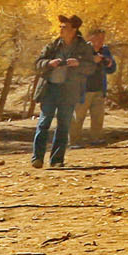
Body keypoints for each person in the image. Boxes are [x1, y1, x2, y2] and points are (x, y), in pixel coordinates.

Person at [32, 15, 96, 168]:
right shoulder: (53, 45)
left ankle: (56, 160)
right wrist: (49, 63)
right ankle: (37, 158)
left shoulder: (84, 47)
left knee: (63, 126)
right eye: (60, 26)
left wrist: (78, 63)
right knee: (43, 123)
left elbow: (91, 67)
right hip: (49, 89)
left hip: (69, 92)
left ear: (74, 29)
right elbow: (37, 64)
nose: (61, 29)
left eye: (64, 27)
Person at [81, 24, 118, 135]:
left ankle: (96, 140)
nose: (100, 41)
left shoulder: (105, 50)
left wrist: (109, 63)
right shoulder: (82, 49)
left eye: (102, 38)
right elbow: (77, 66)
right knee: (78, 117)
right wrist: (93, 60)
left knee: (98, 117)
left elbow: (112, 69)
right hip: (83, 89)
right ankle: (73, 141)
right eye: (98, 38)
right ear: (90, 38)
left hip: (99, 89)